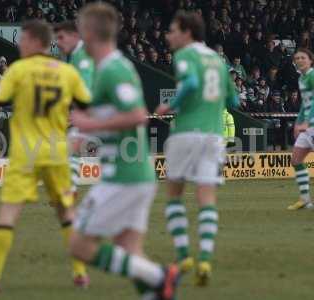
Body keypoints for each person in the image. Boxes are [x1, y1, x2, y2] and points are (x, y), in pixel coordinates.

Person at [70, 3, 180, 300]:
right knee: (130, 250)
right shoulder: (109, 68)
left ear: (90, 32)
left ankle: (161, 276)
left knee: (79, 245)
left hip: (123, 176)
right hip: (132, 174)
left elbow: (136, 114)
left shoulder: (113, 69)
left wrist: (89, 123)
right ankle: (155, 291)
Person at [0, 19, 91, 293]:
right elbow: (89, 107)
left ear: (36, 42)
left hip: (26, 152)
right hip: (56, 151)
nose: (19, 43)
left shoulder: (18, 70)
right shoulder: (67, 72)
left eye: (24, 39)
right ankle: (80, 274)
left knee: (8, 214)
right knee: (66, 213)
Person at [155, 11, 239, 286]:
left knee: (174, 194)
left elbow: (190, 83)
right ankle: (204, 257)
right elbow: (234, 100)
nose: (168, 36)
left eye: (172, 30)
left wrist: (171, 105)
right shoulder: (218, 59)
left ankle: (183, 254)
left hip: (187, 132)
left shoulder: (184, 56)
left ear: (187, 32)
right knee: (207, 197)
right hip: (214, 135)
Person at [53, 19, 94, 288]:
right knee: (70, 168)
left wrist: (76, 116)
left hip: (87, 120)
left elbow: (85, 93)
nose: (58, 43)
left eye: (61, 38)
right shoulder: (78, 57)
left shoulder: (81, 58)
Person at [287, 49, 314, 210]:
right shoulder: (302, 78)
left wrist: (308, 122)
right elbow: (305, 103)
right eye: (297, 58)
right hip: (308, 126)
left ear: (310, 60)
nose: (300, 60)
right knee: (296, 160)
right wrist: (298, 122)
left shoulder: (312, 76)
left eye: (303, 57)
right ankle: (305, 199)